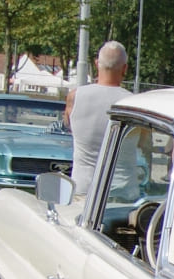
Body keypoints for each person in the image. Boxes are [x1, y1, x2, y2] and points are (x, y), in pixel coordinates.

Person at [70, 41, 131, 197]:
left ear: (97, 64)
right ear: (125, 68)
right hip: (122, 191)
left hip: (84, 188)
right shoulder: (134, 103)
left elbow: (68, 124)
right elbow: (144, 144)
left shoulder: (75, 96)